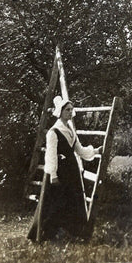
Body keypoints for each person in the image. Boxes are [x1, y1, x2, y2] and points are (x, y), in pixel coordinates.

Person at [28, 96, 102, 241]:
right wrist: (53, 175)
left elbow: (79, 150)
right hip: (59, 172)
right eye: (67, 110)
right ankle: (45, 234)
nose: (70, 112)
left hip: (71, 172)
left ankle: (75, 233)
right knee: (55, 203)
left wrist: (96, 151)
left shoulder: (70, 130)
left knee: (73, 201)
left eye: (71, 109)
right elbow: (50, 156)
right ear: (60, 112)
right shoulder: (53, 132)